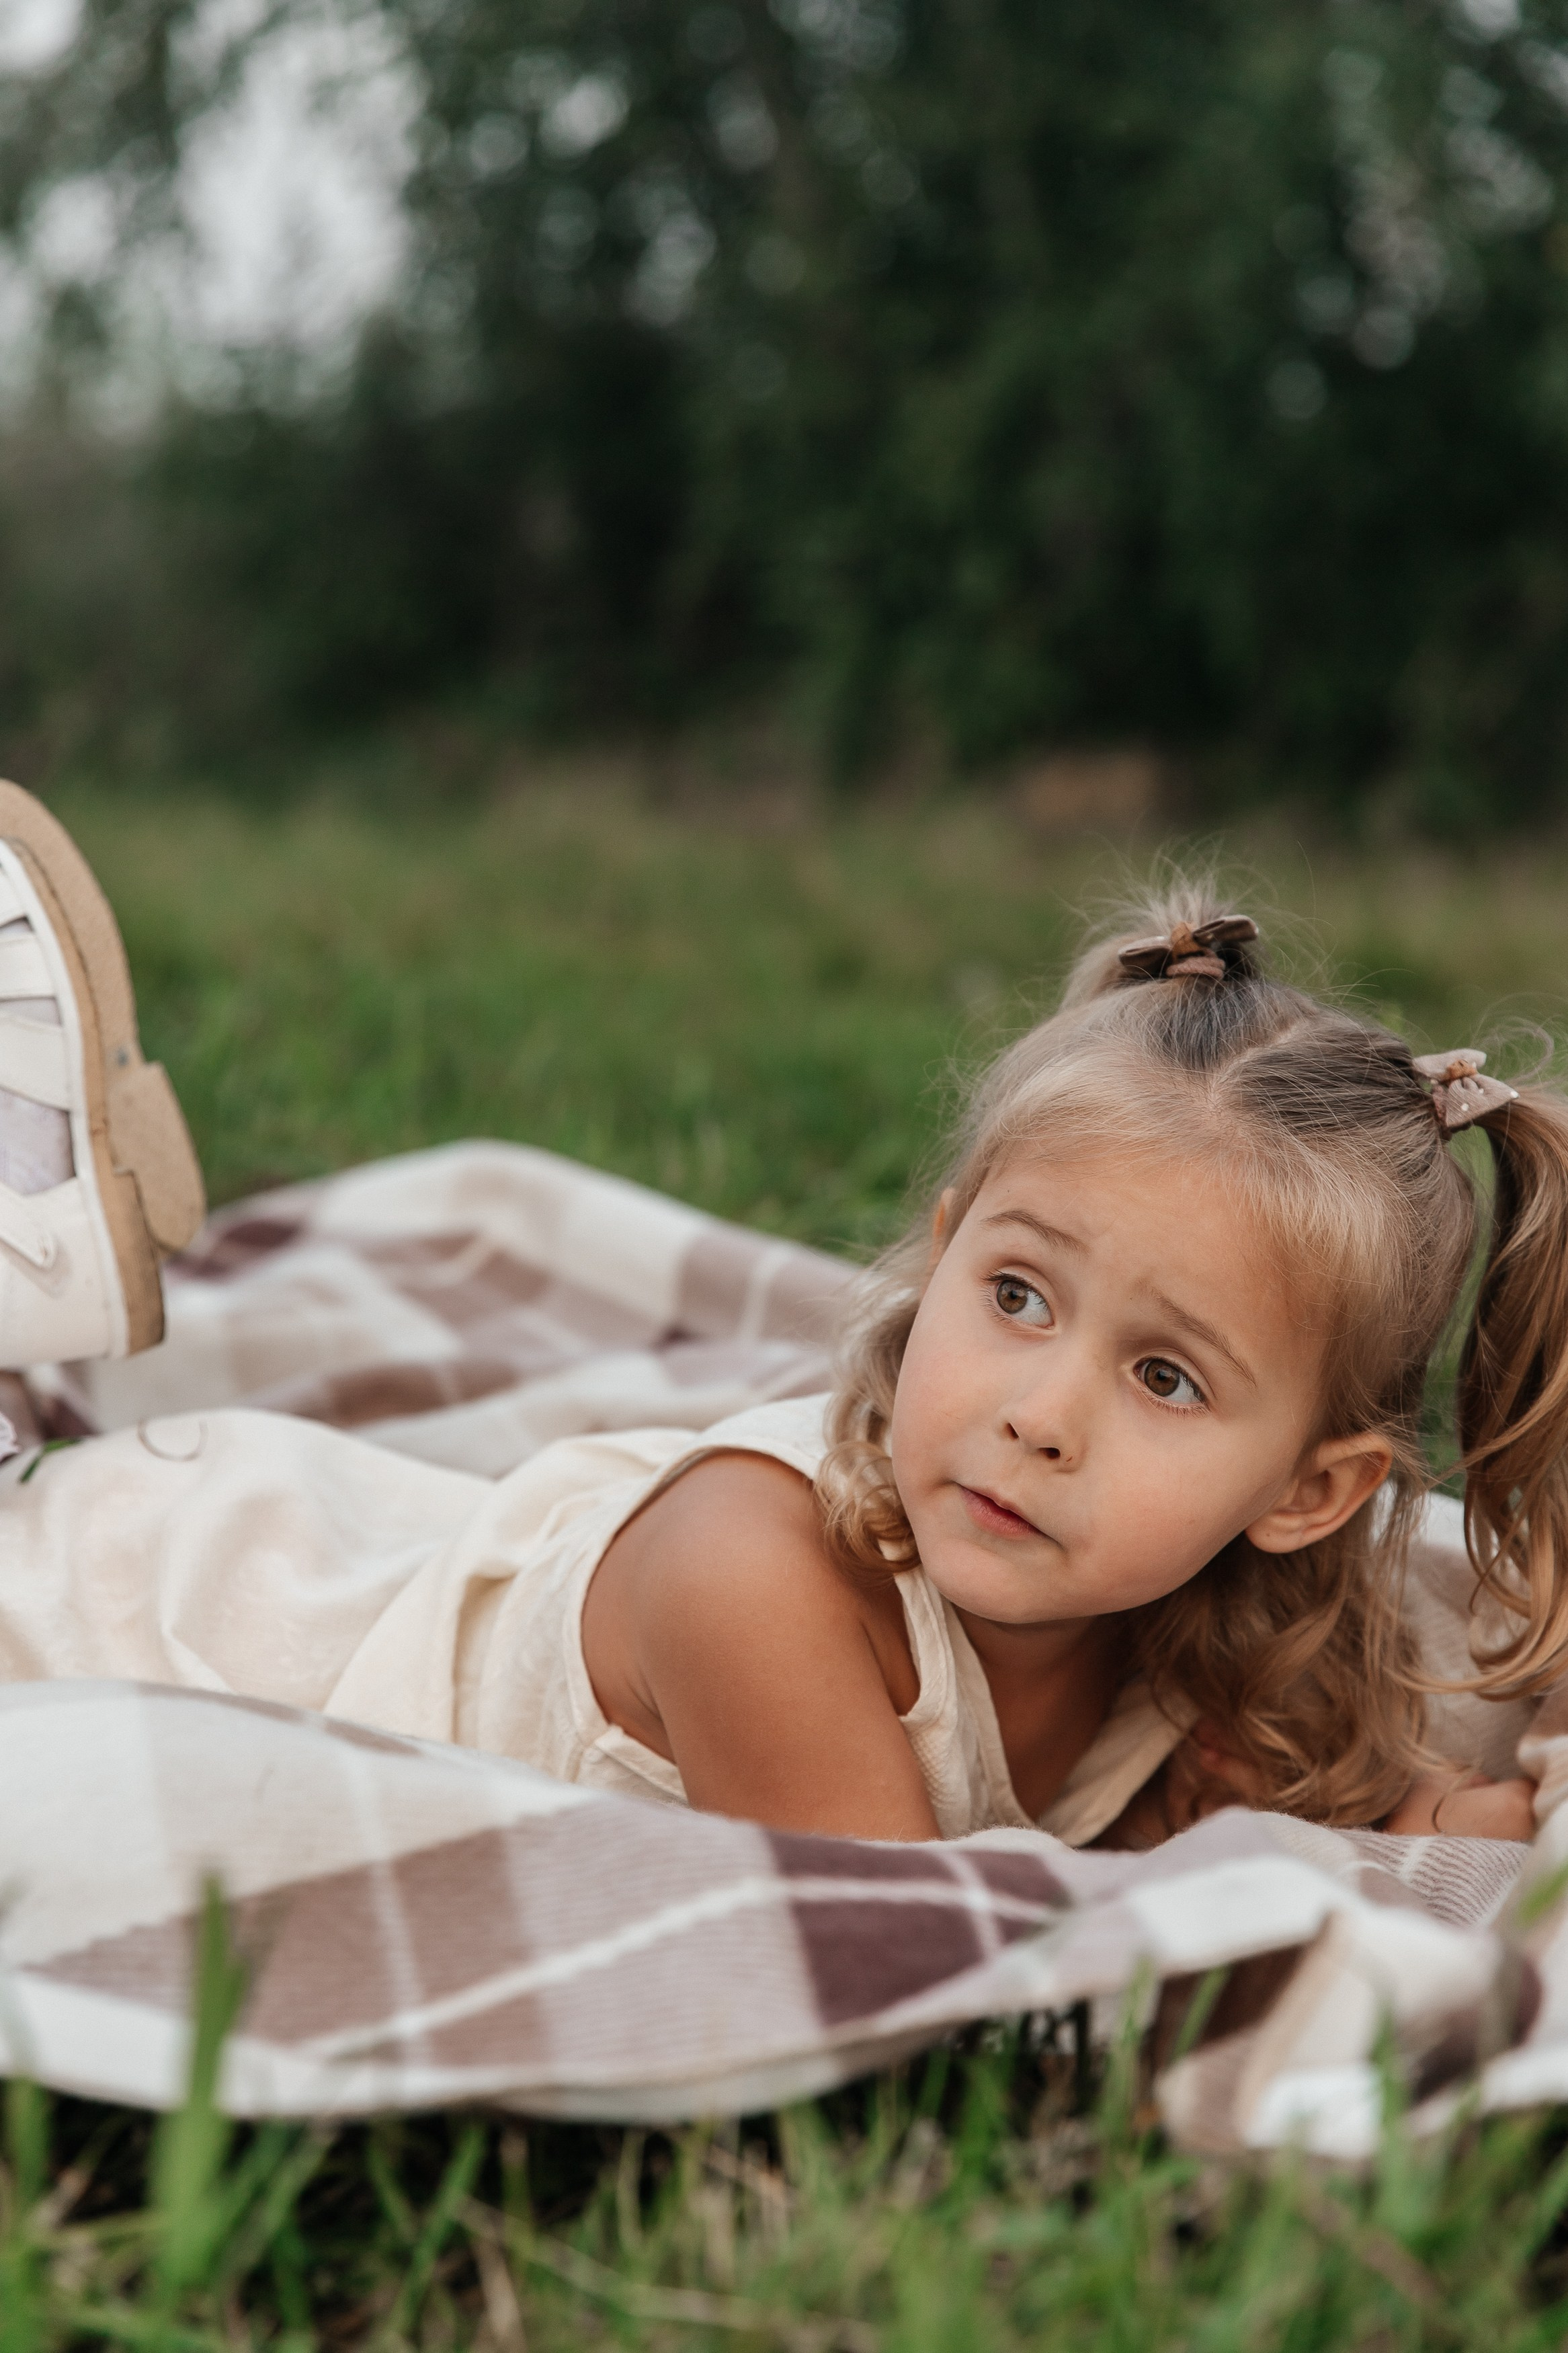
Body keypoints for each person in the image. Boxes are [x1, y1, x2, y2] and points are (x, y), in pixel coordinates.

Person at [0, 782, 1542, 1846]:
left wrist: (1363, 1817)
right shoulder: (761, 1581)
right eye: (1013, 1295)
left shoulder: (1173, 1643)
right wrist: (1316, 1879)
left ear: (1311, 1492)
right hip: (144, 1608)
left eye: (1165, 1377)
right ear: (938, 1263)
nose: (1040, 1411)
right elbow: (932, 1984)